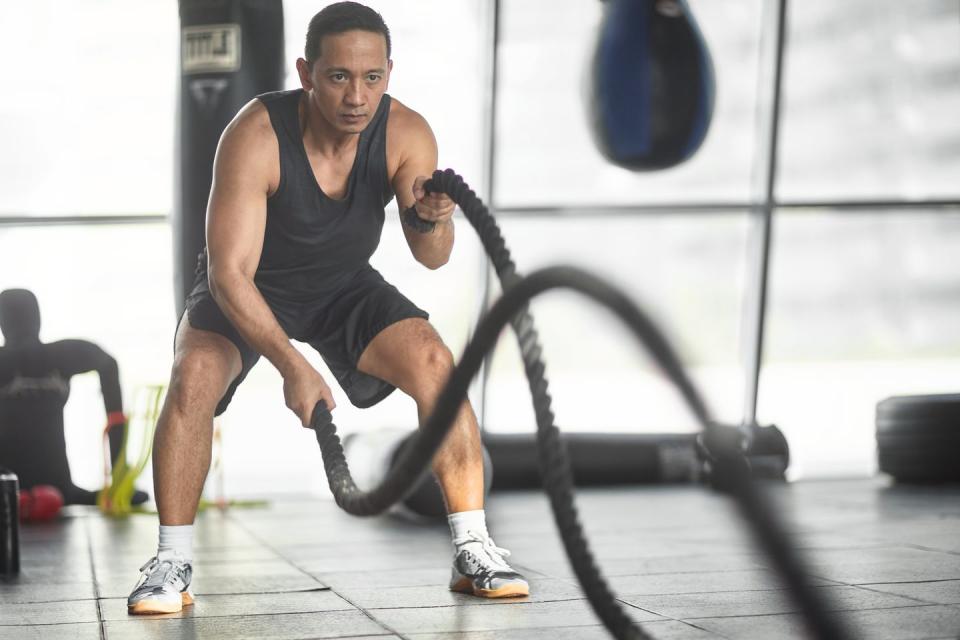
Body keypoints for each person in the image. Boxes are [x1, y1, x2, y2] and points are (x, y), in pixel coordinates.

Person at [127, 1, 529, 615]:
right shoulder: (255, 133)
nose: (356, 97)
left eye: (371, 78)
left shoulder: (407, 133)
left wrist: (430, 218)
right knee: (195, 373)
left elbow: (432, 258)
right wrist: (293, 365)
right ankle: (170, 560)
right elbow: (230, 273)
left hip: (342, 285)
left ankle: (473, 548)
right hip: (252, 285)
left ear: (389, 73)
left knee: (434, 361)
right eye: (339, 77)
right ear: (306, 72)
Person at [0, 288, 148, 508]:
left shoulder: (54, 356)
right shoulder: (59, 356)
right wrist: (118, 463)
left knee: (136, 498)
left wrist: (118, 474)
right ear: (38, 319)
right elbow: (108, 363)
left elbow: (107, 363)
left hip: (50, 492)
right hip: (43, 493)